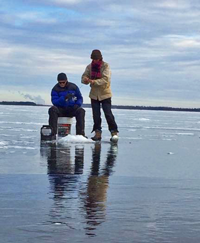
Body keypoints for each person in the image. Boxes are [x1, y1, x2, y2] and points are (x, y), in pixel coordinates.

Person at [81, 50, 118, 141]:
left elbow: (106, 79)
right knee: (96, 115)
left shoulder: (105, 66)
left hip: (105, 94)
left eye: (97, 59)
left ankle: (114, 132)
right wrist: (85, 80)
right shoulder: (89, 67)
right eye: (94, 59)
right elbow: (83, 77)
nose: (95, 60)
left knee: (108, 114)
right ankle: (97, 133)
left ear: (100, 58)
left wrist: (94, 81)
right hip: (94, 95)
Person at [49, 72, 86, 138]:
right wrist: (64, 98)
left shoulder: (73, 87)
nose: (62, 84)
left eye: (63, 82)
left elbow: (79, 97)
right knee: (52, 109)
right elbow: (54, 101)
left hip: (71, 108)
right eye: (60, 82)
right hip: (61, 109)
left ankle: (80, 135)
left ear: (66, 80)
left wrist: (77, 104)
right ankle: (53, 134)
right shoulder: (55, 89)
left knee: (81, 111)